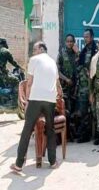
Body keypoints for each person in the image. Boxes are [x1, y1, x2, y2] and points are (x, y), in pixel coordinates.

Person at [10, 42, 62, 172]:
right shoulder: (52, 62)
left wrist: (27, 101)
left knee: (27, 130)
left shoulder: (34, 60)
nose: (33, 52)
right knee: (50, 131)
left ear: (41, 49)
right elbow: (58, 85)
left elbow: (29, 83)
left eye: (34, 49)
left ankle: (18, 164)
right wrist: (57, 97)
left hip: (36, 99)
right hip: (50, 101)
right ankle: (53, 162)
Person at [75, 28, 98, 143]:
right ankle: (84, 135)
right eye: (84, 37)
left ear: (92, 37)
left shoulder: (97, 50)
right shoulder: (84, 51)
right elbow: (80, 66)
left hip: (94, 87)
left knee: (96, 112)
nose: (85, 39)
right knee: (83, 111)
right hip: (83, 87)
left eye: (87, 37)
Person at [57, 34, 79, 141]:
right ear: (65, 42)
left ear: (74, 42)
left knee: (74, 111)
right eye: (68, 41)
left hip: (75, 88)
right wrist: (66, 79)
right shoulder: (61, 53)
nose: (70, 43)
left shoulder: (76, 53)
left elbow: (82, 66)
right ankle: (65, 135)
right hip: (65, 87)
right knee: (65, 111)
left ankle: (72, 134)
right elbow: (57, 70)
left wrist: (78, 53)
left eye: (71, 41)